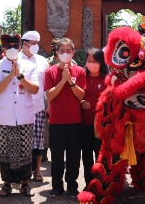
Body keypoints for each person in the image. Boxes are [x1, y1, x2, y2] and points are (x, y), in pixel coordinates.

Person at [0, 34, 40, 197]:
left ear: (20, 48)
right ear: (3, 49)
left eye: (15, 47)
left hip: (24, 116)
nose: (12, 49)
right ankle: (7, 184)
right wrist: (10, 75)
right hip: (3, 116)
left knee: (25, 151)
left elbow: (34, 89)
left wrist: (19, 75)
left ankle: (25, 183)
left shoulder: (29, 66)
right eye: (8, 47)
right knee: (5, 151)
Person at [45, 37, 86, 197]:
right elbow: (49, 96)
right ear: (57, 53)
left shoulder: (80, 71)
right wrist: (63, 81)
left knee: (74, 156)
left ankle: (72, 185)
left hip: (75, 121)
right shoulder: (50, 71)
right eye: (62, 51)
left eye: (68, 51)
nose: (65, 54)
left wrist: (71, 82)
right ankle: (56, 186)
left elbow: (81, 95)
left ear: (73, 52)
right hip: (56, 122)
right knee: (56, 156)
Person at [18, 30, 49, 183]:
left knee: (38, 141)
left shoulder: (43, 61)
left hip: (38, 107)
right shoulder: (15, 60)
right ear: (25, 44)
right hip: (19, 107)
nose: (36, 46)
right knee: (21, 141)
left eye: (37, 43)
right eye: (33, 44)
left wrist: (48, 104)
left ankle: (37, 170)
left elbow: (46, 85)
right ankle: (19, 172)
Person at [80, 48, 109, 186]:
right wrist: (81, 102)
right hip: (84, 123)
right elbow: (76, 96)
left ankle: (100, 184)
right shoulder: (82, 77)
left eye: (94, 61)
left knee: (100, 155)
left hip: (101, 126)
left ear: (101, 62)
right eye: (89, 61)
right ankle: (88, 183)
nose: (91, 64)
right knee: (86, 156)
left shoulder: (107, 79)